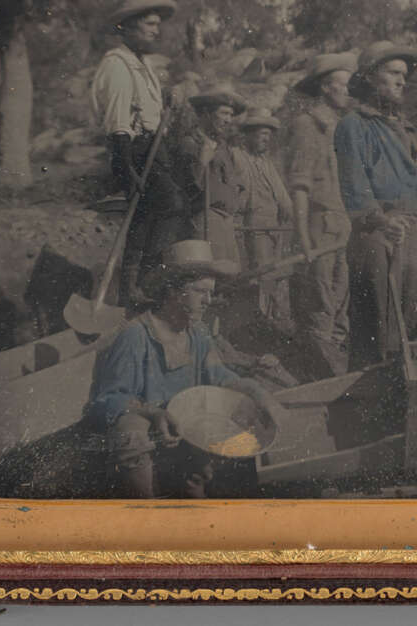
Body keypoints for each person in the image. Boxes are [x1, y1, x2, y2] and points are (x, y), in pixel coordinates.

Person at [81, 240, 285, 498]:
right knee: (130, 432)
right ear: (174, 291)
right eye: (201, 292)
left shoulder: (196, 334)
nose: (209, 300)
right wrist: (153, 413)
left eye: (211, 293)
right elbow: (107, 400)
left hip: (187, 431)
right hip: (152, 434)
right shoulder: (136, 336)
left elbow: (220, 377)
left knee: (239, 416)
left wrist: (260, 394)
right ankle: (147, 514)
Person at [334, 41, 417, 371]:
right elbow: (353, 187)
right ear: (370, 77)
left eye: (404, 75)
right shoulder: (354, 125)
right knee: (377, 328)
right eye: (393, 73)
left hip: (411, 237)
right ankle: (370, 411)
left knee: (415, 324)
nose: (402, 81)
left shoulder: (407, 130)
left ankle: (415, 404)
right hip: (375, 235)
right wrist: (382, 221)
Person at [89, 0, 187, 307]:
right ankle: (146, 280)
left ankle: (134, 287)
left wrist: (167, 96)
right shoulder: (117, 64)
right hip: (132, 147)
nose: (156, 30)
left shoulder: (142, 65)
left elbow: (147, 108)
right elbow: (118, 118)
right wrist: (125, 166)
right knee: (170, 203)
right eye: (149, 24)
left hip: (152, 146)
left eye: (158, 24)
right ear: (127, 27)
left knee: (145, 216)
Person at [287, 52, 356, 377]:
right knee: (320, 306)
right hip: (318, 229)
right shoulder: (306, 125)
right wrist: (303, 240)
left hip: (341, 227)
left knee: (341, 308)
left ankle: (336, 378)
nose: (349, 91)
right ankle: (318, 378)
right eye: (345, 85)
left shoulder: (340, 128)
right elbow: (299, 185)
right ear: (327, 87)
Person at [175, 86, 248, 265]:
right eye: (224, 113)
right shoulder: (190, 143)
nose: (228, 120)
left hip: (227, 220)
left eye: (231, 115)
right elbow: (184, 189)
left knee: (231, 274)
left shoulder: (223, 146)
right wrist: (201, 161)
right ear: (206, 113)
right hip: (206, 217)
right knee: (210, 273)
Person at [234, 108, 293, 322]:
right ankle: (258, 319)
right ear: (248, 135)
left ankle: (272, 316)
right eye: (261, 135)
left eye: (268, 136)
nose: (266, 140)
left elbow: (282, 195)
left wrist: (288, 209)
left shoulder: (267, 163)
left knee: (275, 272)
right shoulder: (239, 157)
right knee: (260, 271)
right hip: (254, 224)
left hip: (275, 226)